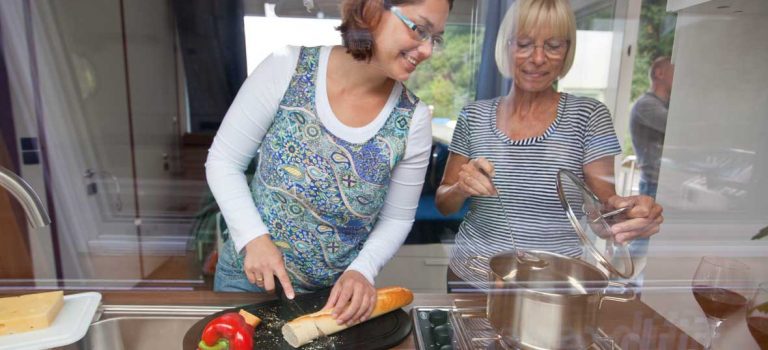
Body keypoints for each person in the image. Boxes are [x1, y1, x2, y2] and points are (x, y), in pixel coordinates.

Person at [205, 0, 452, 325]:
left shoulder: (413, 121)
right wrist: (254, 238)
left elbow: (397, 218)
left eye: (435, 38)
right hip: (247, 281)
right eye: (419, 29)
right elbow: (223, 161)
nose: (428, 50)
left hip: (334, 301)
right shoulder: (288, 68)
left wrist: (362, 270)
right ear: (372, 9)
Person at [435, 0, 664, 291]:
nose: (538, 58)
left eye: (553, 45)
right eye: (524, 44)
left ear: (567, 51)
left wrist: (628, 214)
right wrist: (461, 187)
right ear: (506, 47)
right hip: (471, 277)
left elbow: (601, 214)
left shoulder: (590, 116)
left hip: (551, 288)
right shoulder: (474, 115)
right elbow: (444, 203)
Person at [630, 56, 674, 199]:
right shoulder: (646, 105)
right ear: (659, 73)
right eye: (675, 71)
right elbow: (681, 129)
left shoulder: (665, 105)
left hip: (667, 184)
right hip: (655, 186)